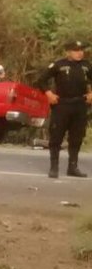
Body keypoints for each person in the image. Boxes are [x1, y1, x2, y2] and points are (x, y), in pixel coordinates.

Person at [36, 41, 92, 178]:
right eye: (76, 50)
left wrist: (91, 93)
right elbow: (41, 80)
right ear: (68, 52)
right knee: (56, 136)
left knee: (77, 137)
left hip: (79, 104)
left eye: (81, 50)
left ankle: (73, 167)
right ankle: (54, 167)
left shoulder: (86, 65)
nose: (79, 53)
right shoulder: (59, 65)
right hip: (62, 105)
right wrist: (49, 94)